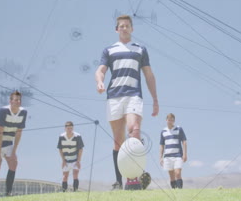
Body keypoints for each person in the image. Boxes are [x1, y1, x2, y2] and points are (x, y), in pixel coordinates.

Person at [95, 14, 159, 190]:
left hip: (133, 95)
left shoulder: (140, 49)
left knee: (134, 131)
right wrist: (100, 81)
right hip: (114, 96)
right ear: (117, 29)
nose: (124, 28)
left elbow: (148, 75)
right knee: (118, 141)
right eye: (121, 26)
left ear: (132, 29)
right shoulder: (109, 50)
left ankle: (135, 178)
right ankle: (119, 181)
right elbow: (100, 71)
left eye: (127, 25)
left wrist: (155, 99)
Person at [0, 90, 27, 197]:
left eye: (19, 100)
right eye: (15, 100)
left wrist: (14, 152)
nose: (17, 102)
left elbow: (19, 133)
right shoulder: (2, 111)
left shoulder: (23, 112)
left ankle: (8, 193)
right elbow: (0, 133)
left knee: (14, 163)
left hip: (9, 141)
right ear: (10, 101)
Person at [159, 113, 187, 189]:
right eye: (169, 120)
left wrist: (184, 154)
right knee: (171, 176)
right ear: (166, 120)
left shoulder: (179, 129)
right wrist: (160, 157)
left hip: (178, 155)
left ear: (174, 121)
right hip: (167, 157)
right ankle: (175, 192)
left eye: (172, 120)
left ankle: (180, 191)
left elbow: (184, 141)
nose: (170, 121)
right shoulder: (163, 131)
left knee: (177, 173)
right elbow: (161, 145)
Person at [57, 121, 84, 192]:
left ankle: (75, 191)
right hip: (66, 160)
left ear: (73, 128)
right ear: (65, 128)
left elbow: (81, 149)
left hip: (75, 159)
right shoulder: (61, 137)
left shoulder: (77, 136)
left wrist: (78, 161)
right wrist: (63, 160)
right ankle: (64, 191)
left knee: (75, 175)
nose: (69, 130)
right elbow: (60, 149)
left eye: (71, 128)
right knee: (65, 176)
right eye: (68, 128)